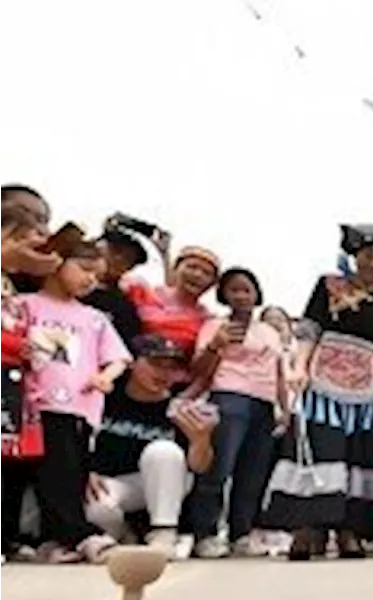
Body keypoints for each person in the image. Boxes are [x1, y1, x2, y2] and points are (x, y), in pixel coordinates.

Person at [260, 223, 373, 561]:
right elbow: (310, 331)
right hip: (323, 384)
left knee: (361, 454)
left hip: (368, 390)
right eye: (369, 256)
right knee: (318, 447)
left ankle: (350, 531)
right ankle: (306, 528)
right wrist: (299, 367)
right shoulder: (328, 287)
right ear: (355, 256)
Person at [21, 224, 131, 563]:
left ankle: (59, 538)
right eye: (83, 270)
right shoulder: (25, 305)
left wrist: (105, 377)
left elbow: (119, 357)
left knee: (72, 473)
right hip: (35, 403)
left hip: (80, 407)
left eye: (96, 276)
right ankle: (72, 535)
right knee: (42, 473)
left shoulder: (94, 317)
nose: (89, 280)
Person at [187, 268, 288, 558]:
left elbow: (279, 371)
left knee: (253, 473)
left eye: (247, 289)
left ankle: (241, 533)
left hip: (264, 402)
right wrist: (217, 344)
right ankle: (204, 533)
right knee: (219, 467)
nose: (241, 295)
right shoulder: (213, 325)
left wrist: (284, 407)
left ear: (257, 294)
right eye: (234, 290)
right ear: (224, 295)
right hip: (229, 397)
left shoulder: (269, 331)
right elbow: (199, 368)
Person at [86, 335, 215, 553]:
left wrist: (200, 441)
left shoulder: (180, 407)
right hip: (113, 483)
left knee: (163, 451)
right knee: (98, 511)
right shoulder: (107, 395)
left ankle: (164, 533)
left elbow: (199, 467)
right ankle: (125, 535)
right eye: (156, 364)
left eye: (171, 367)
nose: (164, 373)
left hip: (165, 483)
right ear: (133, 362)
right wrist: (85, 469)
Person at [0, 206, 48, 560]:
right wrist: (18, 346)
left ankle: (9, 536)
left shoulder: (14, 286)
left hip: (16, 381)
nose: (25, 248)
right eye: (17, 239)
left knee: (14, 461)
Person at [127, 245, 220, 364]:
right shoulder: (142, 292)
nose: (198, 275)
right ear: (175, 269)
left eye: (206, 273)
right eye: (192, 267)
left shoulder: (208, 321)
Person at [83, 226, 146, 349]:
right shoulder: (56, 279)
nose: (119, 258)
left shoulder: (124, 307)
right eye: (115, 250)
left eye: (128, 258)